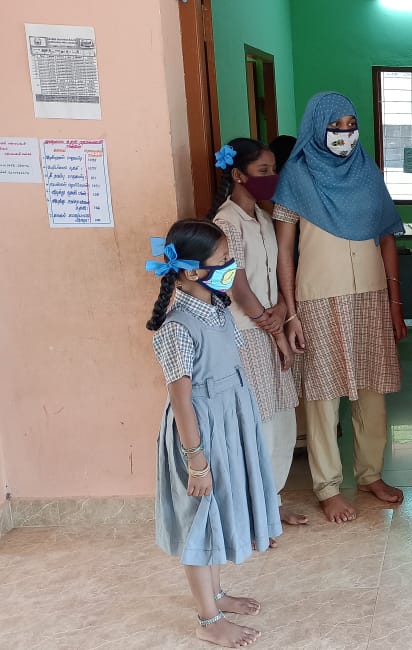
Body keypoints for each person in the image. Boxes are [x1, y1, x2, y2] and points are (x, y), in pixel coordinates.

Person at [272, 92, 407, 523]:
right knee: (323, 395)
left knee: (373, 389)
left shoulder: (367, 171)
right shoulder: (296, 177)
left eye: (351, 126)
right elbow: (284, 252)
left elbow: (387, 236)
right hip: (317, 298)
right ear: (317, 127)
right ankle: (327, 486)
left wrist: (394, 302)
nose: (345, 135)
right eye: (336, 127)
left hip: (369, 295)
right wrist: (290, 312)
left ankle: (370, 474)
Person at [145, 219, 282, 648]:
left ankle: (218, 595)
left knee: (218, 513)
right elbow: (182, 401)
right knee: (200, 522)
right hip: (200, 433)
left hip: (229, 421)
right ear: (190, 271)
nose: (231, 266)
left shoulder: (218, 309)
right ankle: (208, 620)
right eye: (222, 260)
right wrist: (197, 460)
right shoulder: (177, 327)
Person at [208, 138, 307, 535]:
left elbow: (278, 270)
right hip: (247, 334)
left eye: (272, 171)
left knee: (281, 421)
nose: (272, 178)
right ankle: (252, 512)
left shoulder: (263, 219)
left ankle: (273, 500)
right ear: (238, 175)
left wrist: (283, 313)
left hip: (269, 328)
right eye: (263, 172)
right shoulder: (226, 222)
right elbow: (238, 284)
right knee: (258, 423)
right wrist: (272, 324)